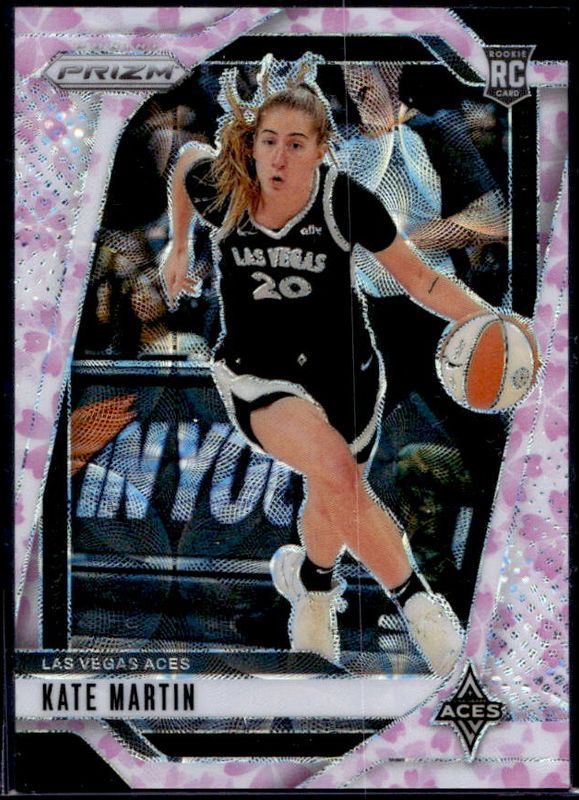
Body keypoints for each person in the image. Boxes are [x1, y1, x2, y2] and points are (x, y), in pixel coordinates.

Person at [161, 75, 498, 677]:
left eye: (296, 144)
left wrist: (488, 319)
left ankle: (313, 591)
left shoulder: (346, 202)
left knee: (334, 495)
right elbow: (186, 159)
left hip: (350, 374)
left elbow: (422, 280)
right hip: (258, 375)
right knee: (338, 472)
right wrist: (179, 246)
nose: (278, 157)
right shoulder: (226, 188)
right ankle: (429, 620)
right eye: (268, 140)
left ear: (321, 149)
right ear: (253, 143)